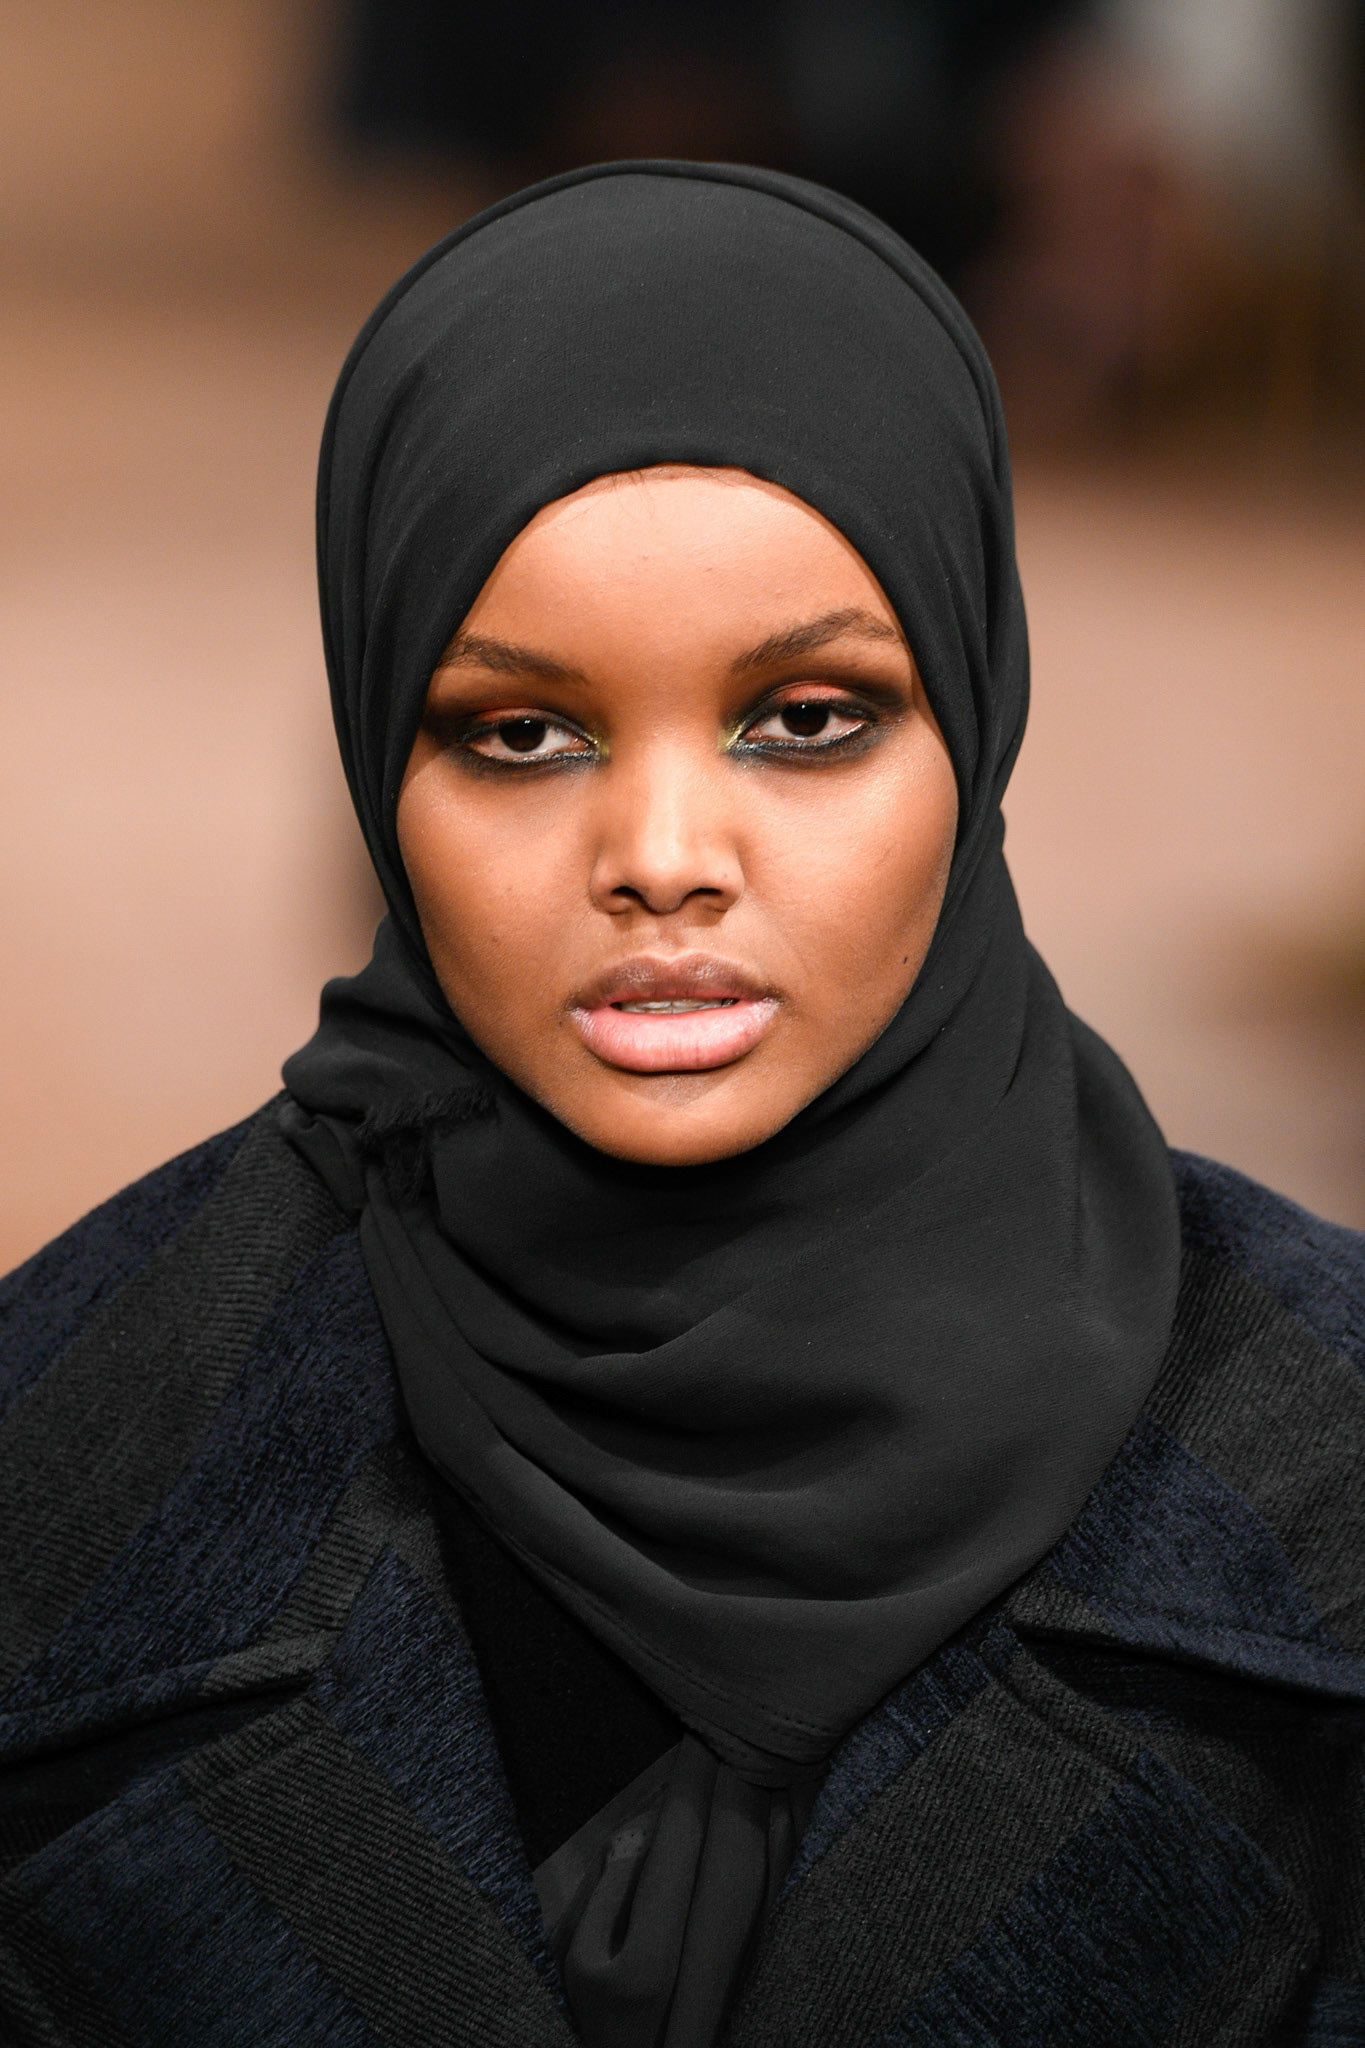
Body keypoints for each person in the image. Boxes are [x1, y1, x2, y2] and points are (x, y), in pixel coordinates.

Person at [1, 161, 1362, 2048]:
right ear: (375, 764)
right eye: (517, 734)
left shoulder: (1325, 1467)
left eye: (805, 719)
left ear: (976, 724)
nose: (658, 858)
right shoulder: (62, 1464)